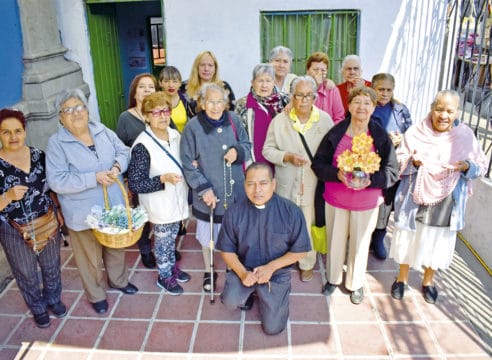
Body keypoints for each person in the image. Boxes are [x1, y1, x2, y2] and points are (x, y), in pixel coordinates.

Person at [389, 90, 487, 304]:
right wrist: (412, 162)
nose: (443, 115)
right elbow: (399, 159)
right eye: (439, 109)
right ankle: (402, 279)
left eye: (449, 111)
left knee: (437, 241)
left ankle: (428, 281)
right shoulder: (415, 132)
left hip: (447, 199)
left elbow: (481, 165)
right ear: (432, 108)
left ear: (457, 112)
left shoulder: (465, 136)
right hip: (415, 196)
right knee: (408, 236)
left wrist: (467, 166)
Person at [46, 89, 138, 314]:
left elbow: (124, 151)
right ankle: (96, 294)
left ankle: (119, 281)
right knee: (90, 257)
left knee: (115, 247)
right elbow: (57, 181)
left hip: (112, 204)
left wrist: (117, 167)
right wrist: (93, 178)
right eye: (68, 110)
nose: (75, 113)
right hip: (83, 212)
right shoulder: (57, 143)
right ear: (60, 117)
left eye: (79, 107)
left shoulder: (101, 130)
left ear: (87, 110)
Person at [311, 86, 398, 304]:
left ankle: (355, 283)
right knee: (335, 240)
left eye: (367, 102)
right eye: (357, 101)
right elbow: (318, 164)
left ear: (374, 107)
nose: (361, 107)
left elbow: (392, 170)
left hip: (366, 201)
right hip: (336, 199)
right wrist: (336, 174)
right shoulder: (336, 132)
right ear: (349, 106)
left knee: (359, 244)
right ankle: (332, 278)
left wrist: (372, 180)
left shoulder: (380, 135)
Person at [217, 162, 310, 335]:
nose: (257, 190)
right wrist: (243, 273)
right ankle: (250, 292)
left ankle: (274, 296)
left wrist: (271, 267)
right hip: (244, 270)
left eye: (263, 183)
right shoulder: (234, 212)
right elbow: (226, 249)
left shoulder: (291, 211)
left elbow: (301, 250)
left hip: (276, 275)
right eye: (251, 184)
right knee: (230, 301)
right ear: (244, 185)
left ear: (273, 184)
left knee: (273, 328)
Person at [180, 82, 251, 292]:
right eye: (210, 101)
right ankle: (209, 270)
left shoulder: (235, 120)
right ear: (202, 102)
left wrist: (238, 152)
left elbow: (247, 145)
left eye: (219, 101)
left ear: (226, 102)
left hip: (235, 194)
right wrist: (203, 189)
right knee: (208, 238)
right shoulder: (193, 127)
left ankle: (232, 268)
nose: (215, 106)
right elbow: (187, 163)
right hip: (209, 196)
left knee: (234, 235)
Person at [263, 76, 334, 282]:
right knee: (284, 224)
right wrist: (286, 156)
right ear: (291, 97)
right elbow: (267, 150)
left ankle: (306, 262)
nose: (304, 100)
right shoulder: (280, 120)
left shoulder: (325, 120)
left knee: (308, 223)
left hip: (312, 185)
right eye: (299, 95)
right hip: (286, 184)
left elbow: (333, 152)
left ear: (314, 97)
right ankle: (283, 262)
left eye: (308, 96)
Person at [0, 109, 65, 328]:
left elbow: (51, 189)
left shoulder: (39, 155)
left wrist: (59, 211)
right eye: (6, 132)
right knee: (26, 272)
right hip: (13, 229)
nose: (13, 137)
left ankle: (54, 299)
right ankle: (37, 308)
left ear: (25, 131)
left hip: (46, 220)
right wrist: (8, 196)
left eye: (17, 131)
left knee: (51, 265)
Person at [128, 92, 190, 295]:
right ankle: (165, 278)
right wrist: (162, 179)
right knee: (163, 242)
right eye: (156, 112)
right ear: (146, 116)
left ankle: (171, 267)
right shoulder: (142, 145)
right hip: (159, 203)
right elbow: (136, 183)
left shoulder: (174, 134)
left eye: (166, 111)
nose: (163, 116)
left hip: (175, 199)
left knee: (171, 239)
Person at [369, 73, 413, 260]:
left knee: (387, 202)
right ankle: (364, 234)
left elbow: (412, 134)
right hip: (371, 163)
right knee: (370, 200)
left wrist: (402, 139)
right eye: (381, 89)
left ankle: (379, 238)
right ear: (373, 88)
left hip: (392, 164)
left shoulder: (400, 109)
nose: (385, 93)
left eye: (389, 90)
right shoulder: (366, 106)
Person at [116, 73, 157, 269]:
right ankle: (146, 250)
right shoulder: (126, 118)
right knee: (143, 215)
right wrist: (124, 180)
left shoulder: (161, 112)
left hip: (160, 173)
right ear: (134, 92)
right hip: (139, 177)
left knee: (161, 212)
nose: (147, 90)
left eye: (151, 86)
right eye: (142, 86)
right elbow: (121, 150)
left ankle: (164, 244)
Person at [235, 63, 289, 169]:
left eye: (268, 81)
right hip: (253, 162)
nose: (264, 85)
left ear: (274, 82)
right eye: (260, 81)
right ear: (252, 82)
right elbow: (237, 135)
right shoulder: (242, 104)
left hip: (280, 161)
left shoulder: (285, 101)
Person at [180, 51, 236, 117]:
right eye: (202, 65)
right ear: (196, 68)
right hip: (192, 126)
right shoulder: (183, 87)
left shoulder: (224, 87)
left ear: (215, 68)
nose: (206, 69)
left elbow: (232, 114)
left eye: (210, 65)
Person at [306, 51, 345, 124]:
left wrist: (330, 133)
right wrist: (316, 87)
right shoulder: (301, 87)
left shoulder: (332, 90)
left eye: (323, 70)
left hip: (328, 132)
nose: (319, 73)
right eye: (315, 69)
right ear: (308, 71)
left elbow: (339, 118)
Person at [158, 66, 193, 132]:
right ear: (160, 83)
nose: (171, 85)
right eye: (166, 81)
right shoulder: (155, 102)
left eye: (175, 81)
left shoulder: (185, 100)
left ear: (180, 83)